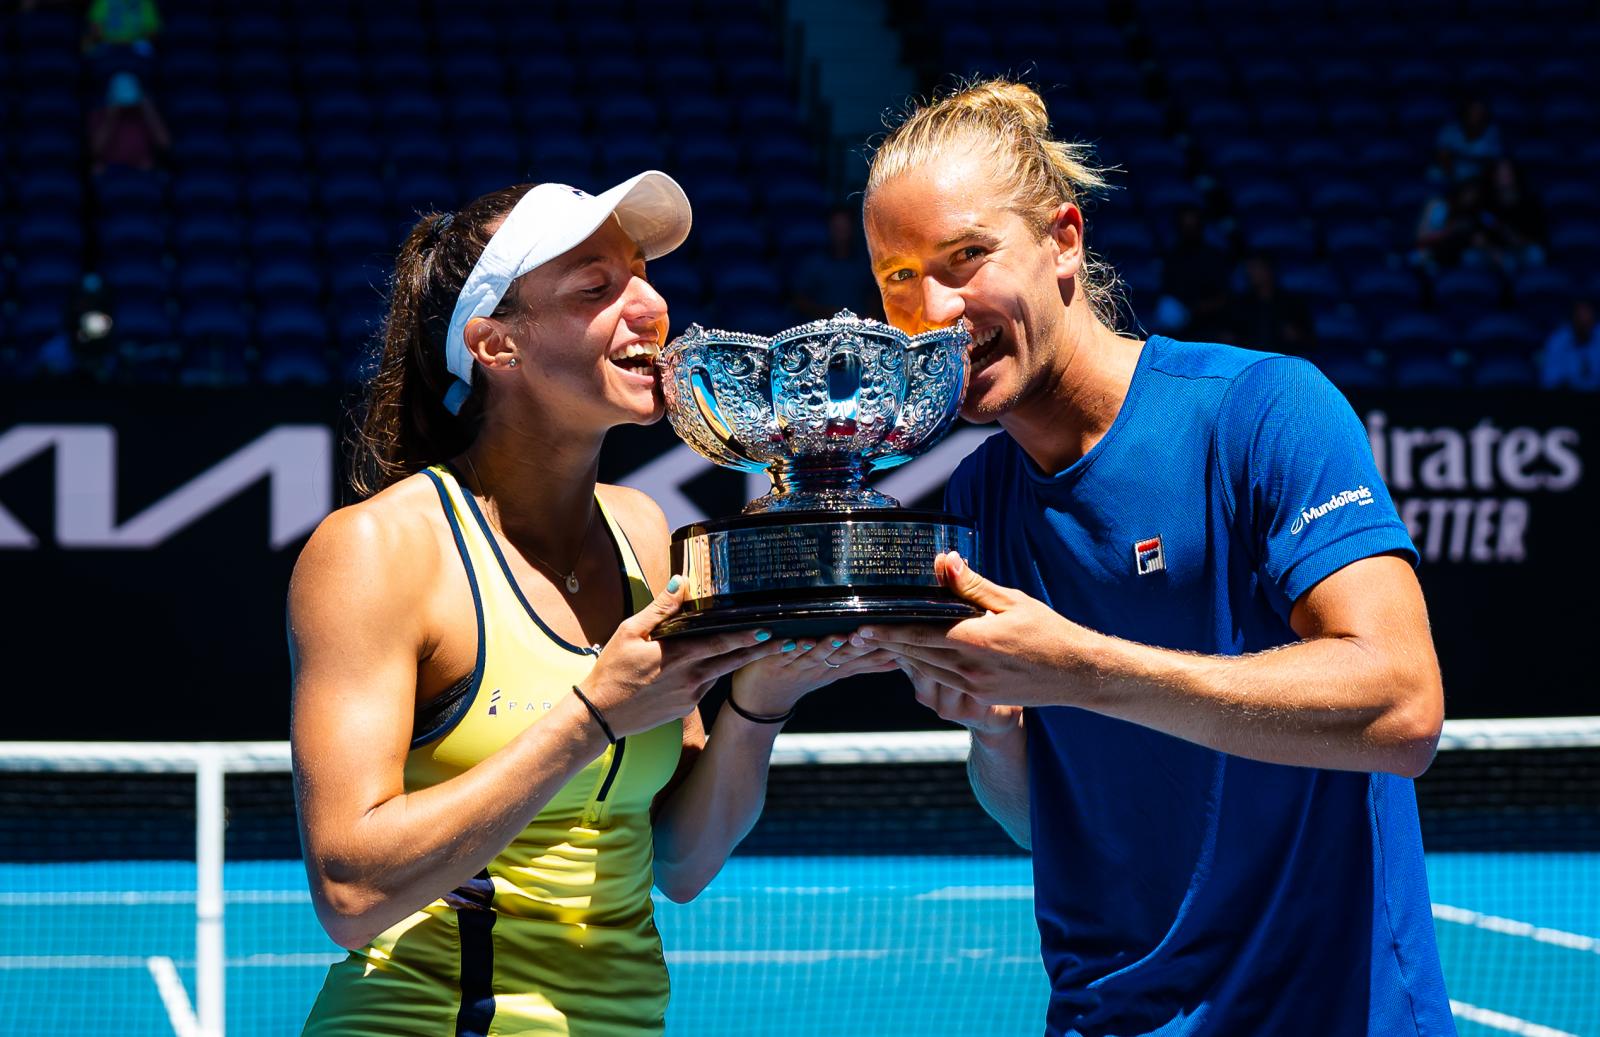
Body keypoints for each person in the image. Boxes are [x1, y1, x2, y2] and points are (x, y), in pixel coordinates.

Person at [857, 80, 1453, 1035]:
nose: (932, 309)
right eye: (896, 276)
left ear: (1063, 240)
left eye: (967, 256)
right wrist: (994, 722)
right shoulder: (976, 497)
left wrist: (1080, 668)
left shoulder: (1262, 409)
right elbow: (1038, 820)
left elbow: (1402, 704)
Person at [290, 172, 891, 1035]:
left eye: (643, 274)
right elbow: (350, 893)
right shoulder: (375, 551)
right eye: (596, 288)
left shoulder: (645, 530)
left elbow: (680, 859)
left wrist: (762, 695)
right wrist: (592, 715)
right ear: (497, 345)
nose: (650, 305)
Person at [87, 72, 170, 175]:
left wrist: (148, 111)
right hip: (111, 170)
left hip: (143, 170)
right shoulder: (99, 115)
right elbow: (95, 150)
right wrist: (111, 117)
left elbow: (165, 144)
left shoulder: (146, 115)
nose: (126, 106)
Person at [1540, 299, 1599, 390]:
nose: (1584, 322)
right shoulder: (1558, 340)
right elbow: (1550, 379)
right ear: (1573, 318)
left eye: (1588, 320)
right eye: (1580, 318)